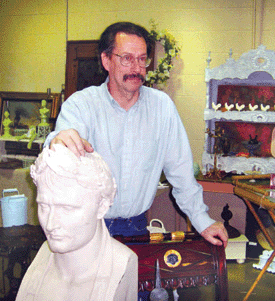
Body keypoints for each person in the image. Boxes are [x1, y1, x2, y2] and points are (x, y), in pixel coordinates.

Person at [45, 21, 228, 248]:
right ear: (106, 61)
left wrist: (202, 221)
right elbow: (56, 154)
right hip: (86, 231)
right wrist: (57, 142)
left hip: (137, 229)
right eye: (127, 58)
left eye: (142, 59)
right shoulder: (82, 106)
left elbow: (181, 173)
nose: (136, 68)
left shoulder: (162, 107)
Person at [16, 144, 138, 301]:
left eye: (67, 209)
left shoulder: (122, 263)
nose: (50, 225)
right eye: (44, 207)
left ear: (101, 206)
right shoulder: (41, 258)